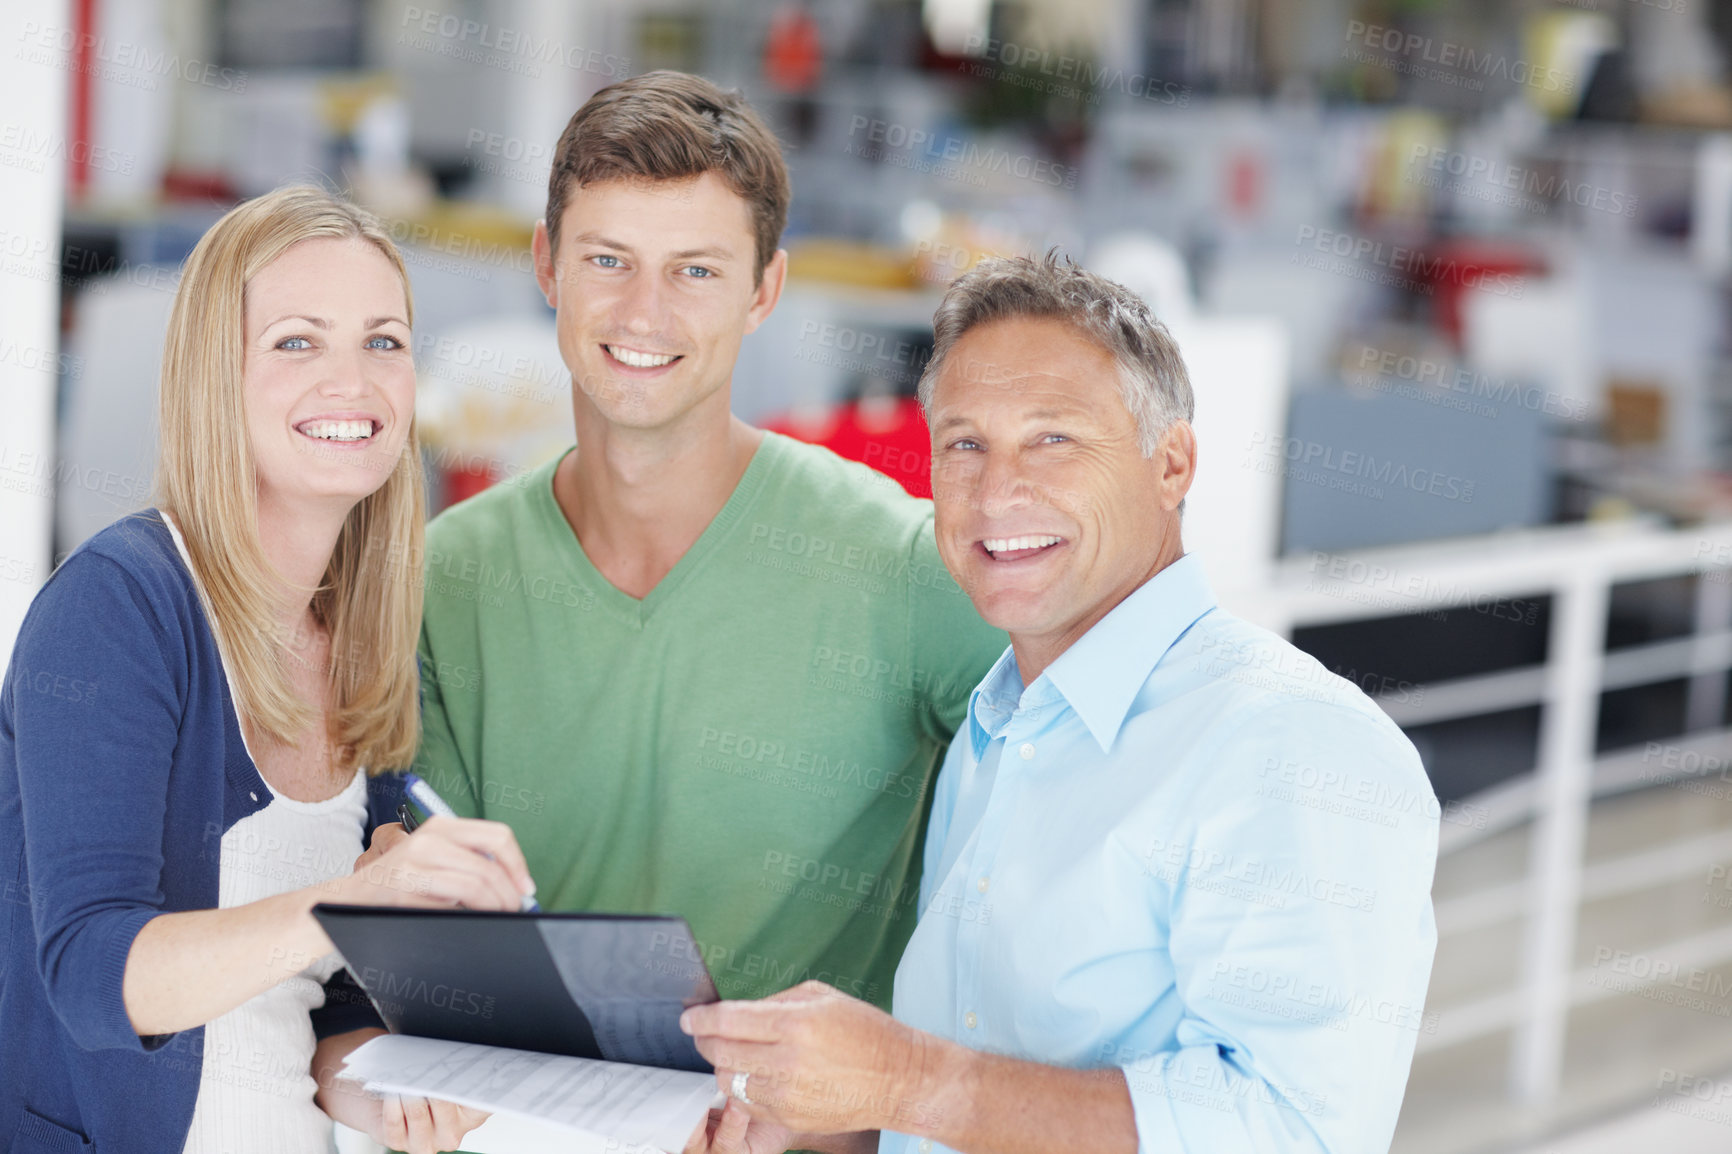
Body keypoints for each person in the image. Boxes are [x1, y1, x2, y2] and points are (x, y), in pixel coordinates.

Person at [682, 253, 1441, 1154]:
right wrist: (828, 1121)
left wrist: (904, 1079)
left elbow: (1292, 1131)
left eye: (1054, 439)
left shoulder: (1293, 742)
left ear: (1172, 465)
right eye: (965, 443)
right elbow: (977, 1089)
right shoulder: (994, 731)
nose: (998, 492)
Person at [412, 68, 1006, 1085]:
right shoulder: (443, 578)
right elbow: (421, 926)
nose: (644, 311)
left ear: (763, 290)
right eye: (609, 260)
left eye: (694, 270)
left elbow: (1110, 759)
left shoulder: (899, 565)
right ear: (547, 265)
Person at [0, 186, 536, 1154]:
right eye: (298, 341)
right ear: (217, 375)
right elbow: (92, 976)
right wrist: (359, 902)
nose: (353, 380)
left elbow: (320, 1008)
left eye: (384, 341)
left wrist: (388, 1090)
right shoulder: (119, 609)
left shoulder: (371, 643)